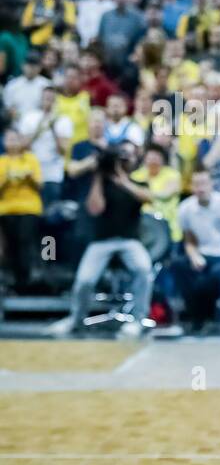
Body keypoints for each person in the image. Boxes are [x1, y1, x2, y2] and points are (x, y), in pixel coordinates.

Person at [49, 143, 154, 336]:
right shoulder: (100, 183)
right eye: (121, 156)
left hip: (129, 240)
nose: (123, 160)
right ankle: (76, 319)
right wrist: (99, 174)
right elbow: (94, 208)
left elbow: (148, 198)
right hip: (101, 241)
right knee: (84, 281)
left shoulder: (138, 182)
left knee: (143, 270)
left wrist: (123, 181)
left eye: (128, 156)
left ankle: (139, 320)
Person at [175, 169, 220, 332]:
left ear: (212, 184)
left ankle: (207, 317)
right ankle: (197, 319)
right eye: (196, 184)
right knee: (179, 265)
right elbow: (189, 241)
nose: (201, 188)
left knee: (214, 276)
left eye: (204, 183)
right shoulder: (185, 208)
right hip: (202, 254)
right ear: (191, 187)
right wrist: (194, 256)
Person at [0, 128, 44, 292]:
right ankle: (14, 282)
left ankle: (27, 281)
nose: (12, 142)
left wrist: (29, 177)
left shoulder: (30, 159)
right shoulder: (1, 161)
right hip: (6, 209)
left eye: (15, 139)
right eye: (8, 139)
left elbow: (40, 185)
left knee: (25, 242)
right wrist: (7, 178)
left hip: (29, 208)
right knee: (10, 246)